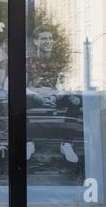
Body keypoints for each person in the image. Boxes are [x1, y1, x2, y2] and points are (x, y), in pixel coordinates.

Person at [26, 25, 79, 163]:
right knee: (21, 100)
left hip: (55, 96)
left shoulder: (59, 62)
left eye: (50, 38)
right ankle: (27, 142)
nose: (48, 41)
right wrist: (38, 97)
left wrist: (56, 95)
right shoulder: (28, 62)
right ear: (36, 41)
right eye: (44, 38)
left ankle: (66, 144)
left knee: (75, 100)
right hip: (35, 96)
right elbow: (22, 86)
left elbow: (65, 85)